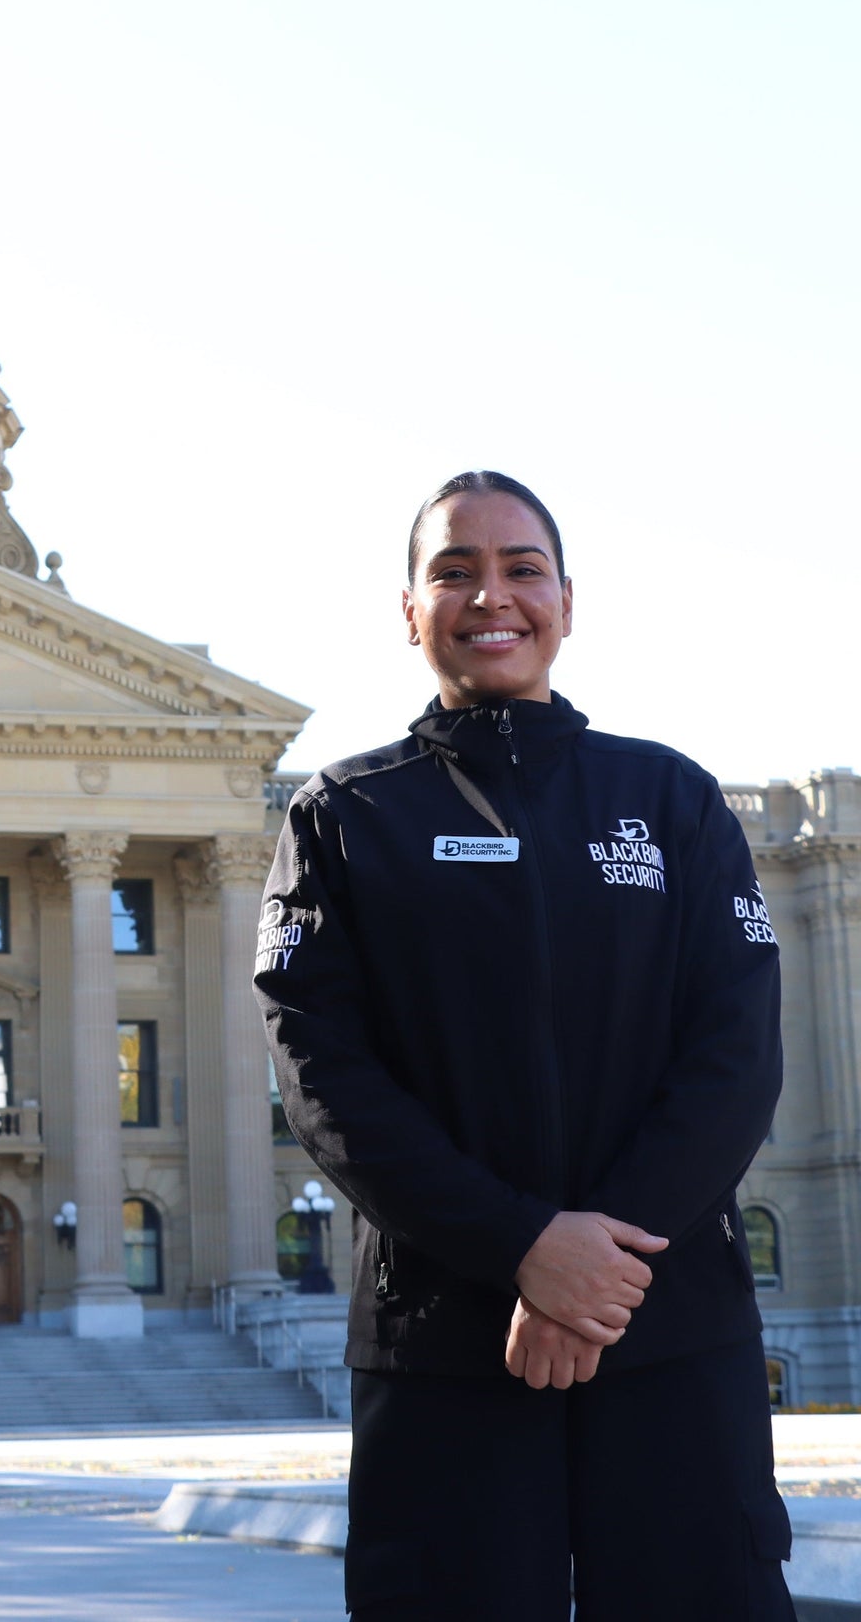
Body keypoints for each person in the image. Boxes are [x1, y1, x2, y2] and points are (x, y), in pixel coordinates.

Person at [254, 471, 794, 1621]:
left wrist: (590, 1276)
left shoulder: (673, 798)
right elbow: (321, 1076)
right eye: (453, 571)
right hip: (448, 1343)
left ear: (564, 602)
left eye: (520, 568)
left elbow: (737, 1056)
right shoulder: (343, 817)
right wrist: (520, 1246)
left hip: (668, 1330)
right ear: (409, 610)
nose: (489, 595)